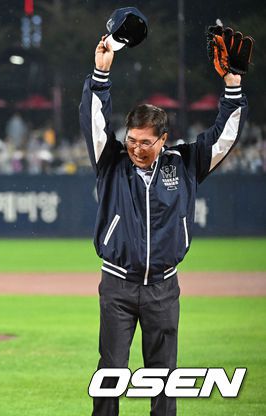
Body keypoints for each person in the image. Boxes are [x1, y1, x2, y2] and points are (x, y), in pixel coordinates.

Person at [79, 34, 247, 415]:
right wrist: (101, 75)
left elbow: (224, 138)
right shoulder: (111, 162)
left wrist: (233, 86)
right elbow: (93, 122)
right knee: (110, 372)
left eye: (146, 142)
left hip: (163, 287)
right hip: (118, 284)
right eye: (132, 140)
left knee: (164, 376)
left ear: (163, 140)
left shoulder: (184, 163)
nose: (136, 149)